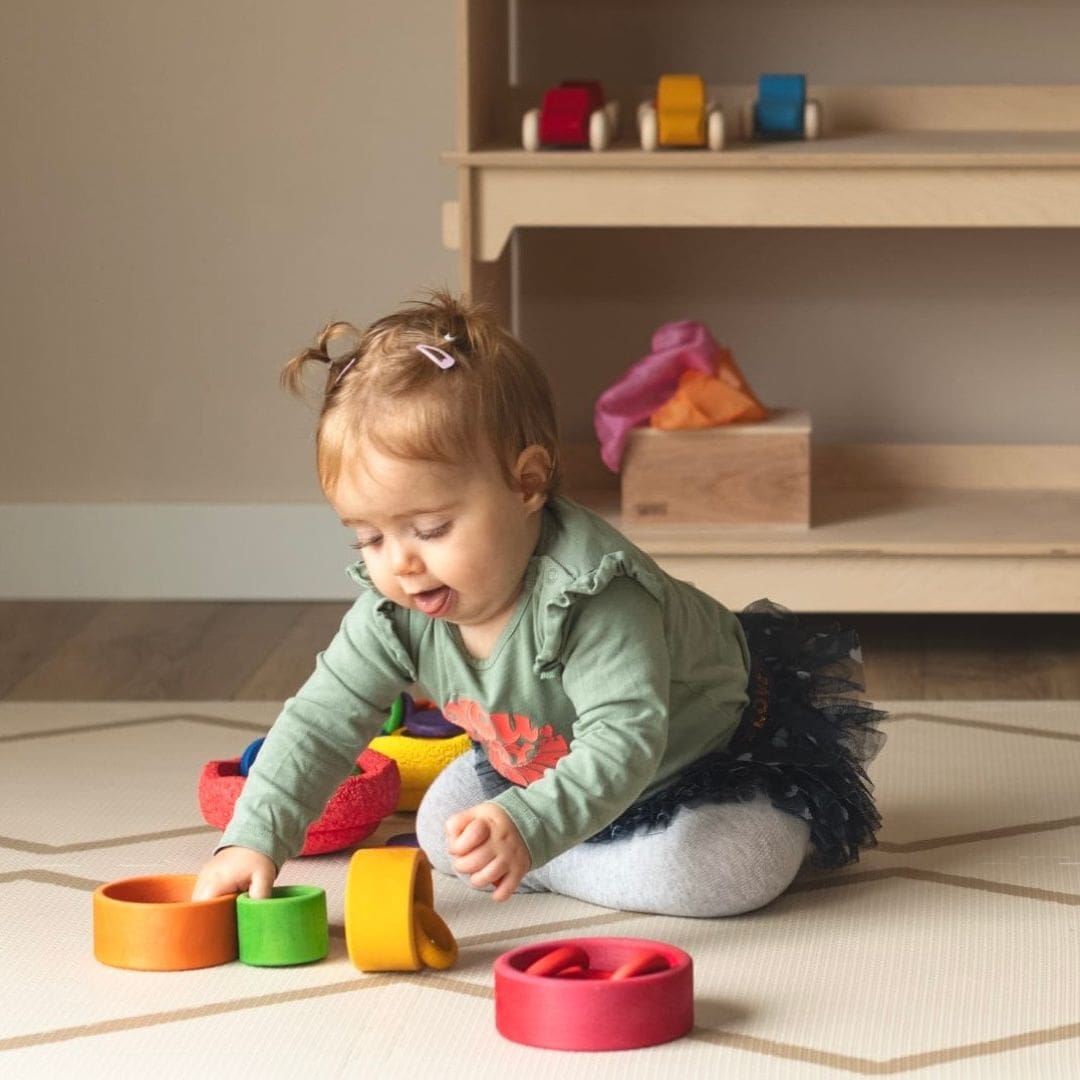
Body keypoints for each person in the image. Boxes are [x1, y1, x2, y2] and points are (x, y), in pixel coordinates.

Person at [193, 290, 886, 916]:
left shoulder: (593, 596)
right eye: (369, 537)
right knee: (440, 829)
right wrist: (252, 840)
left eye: (430, 529)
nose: (399, 563)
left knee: (724, 874)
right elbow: (319, 722)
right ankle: (568, 855)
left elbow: (625, 740)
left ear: (526, 485)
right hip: (544, 769)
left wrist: (527, 826)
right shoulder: (392, 609)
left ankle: (564, 858)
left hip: (695, 762)